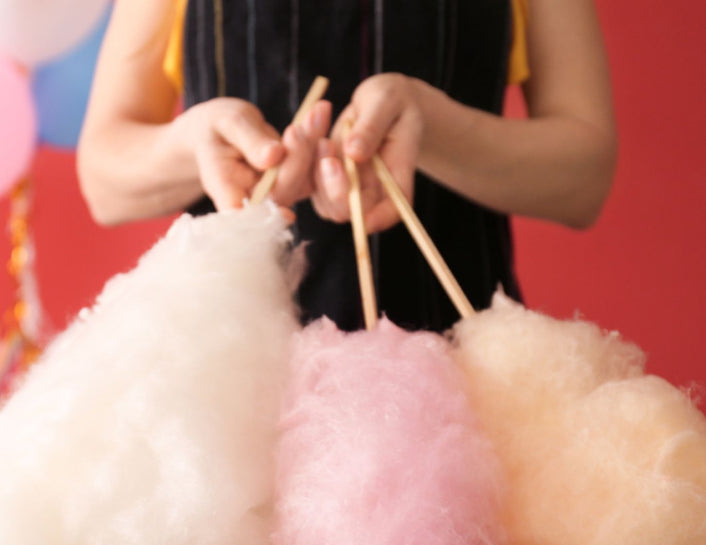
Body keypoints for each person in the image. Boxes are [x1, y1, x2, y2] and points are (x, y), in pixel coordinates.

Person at [77, 0, 616, 332]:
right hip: (229, 394)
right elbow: (104, 181)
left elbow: (584, 178)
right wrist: (194, 144)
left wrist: (433, 127)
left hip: (459, 369)